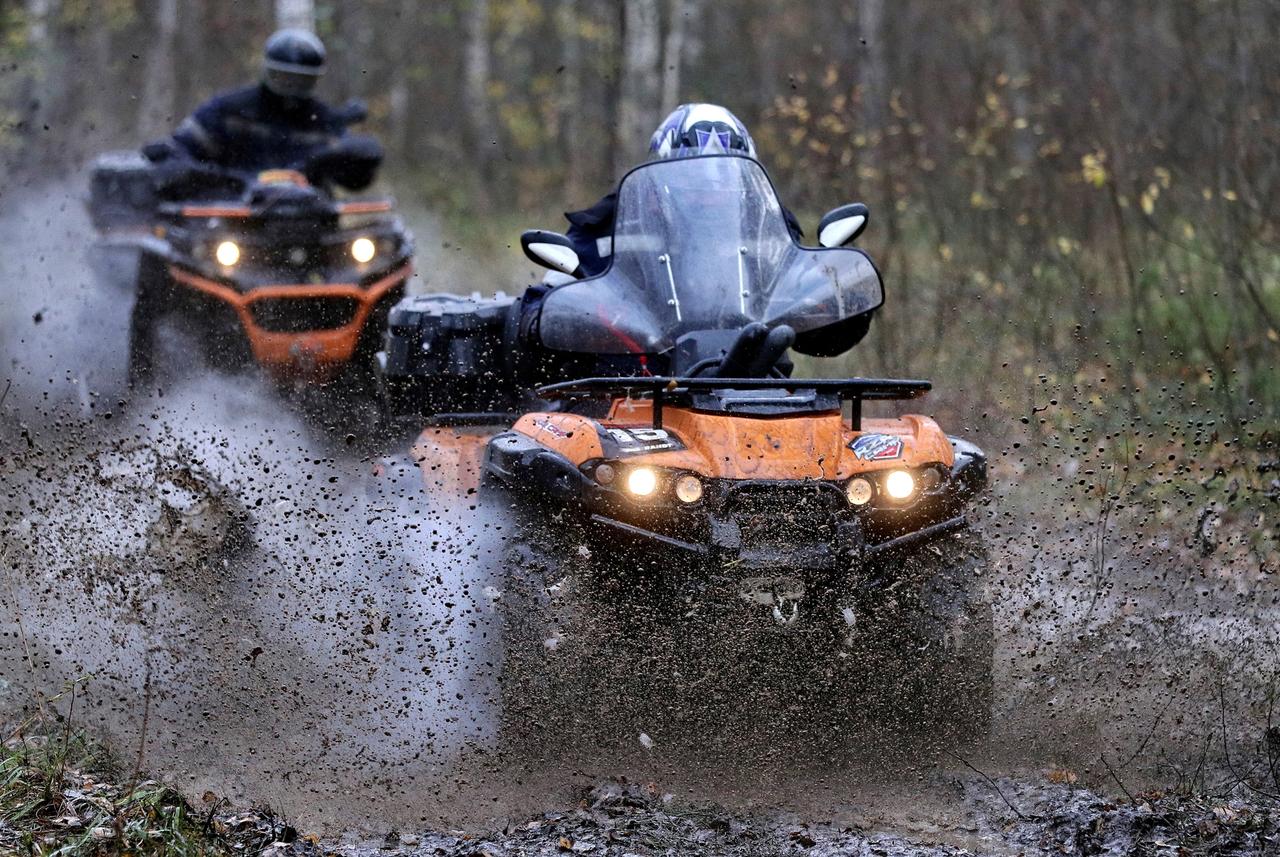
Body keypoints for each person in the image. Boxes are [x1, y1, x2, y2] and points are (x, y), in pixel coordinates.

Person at [562, 103, 804, 277]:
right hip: (641, 346)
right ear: (660, 176)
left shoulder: (767, 224)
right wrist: (537, 316)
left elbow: (803, 295)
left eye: (724, 172)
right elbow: (555, 293)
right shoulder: (618, 220)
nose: (710, 187)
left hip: (752, 346)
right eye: (693, 174)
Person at [169, 29, 351, 173]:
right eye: (283, 77)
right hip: (234, 204)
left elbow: (351, 179)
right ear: (268, 71)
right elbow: (183, 148)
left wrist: (360, 160)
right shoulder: (231, 110)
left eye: (301, 80)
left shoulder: (322, 119)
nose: (292, 86)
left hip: (305, 211)